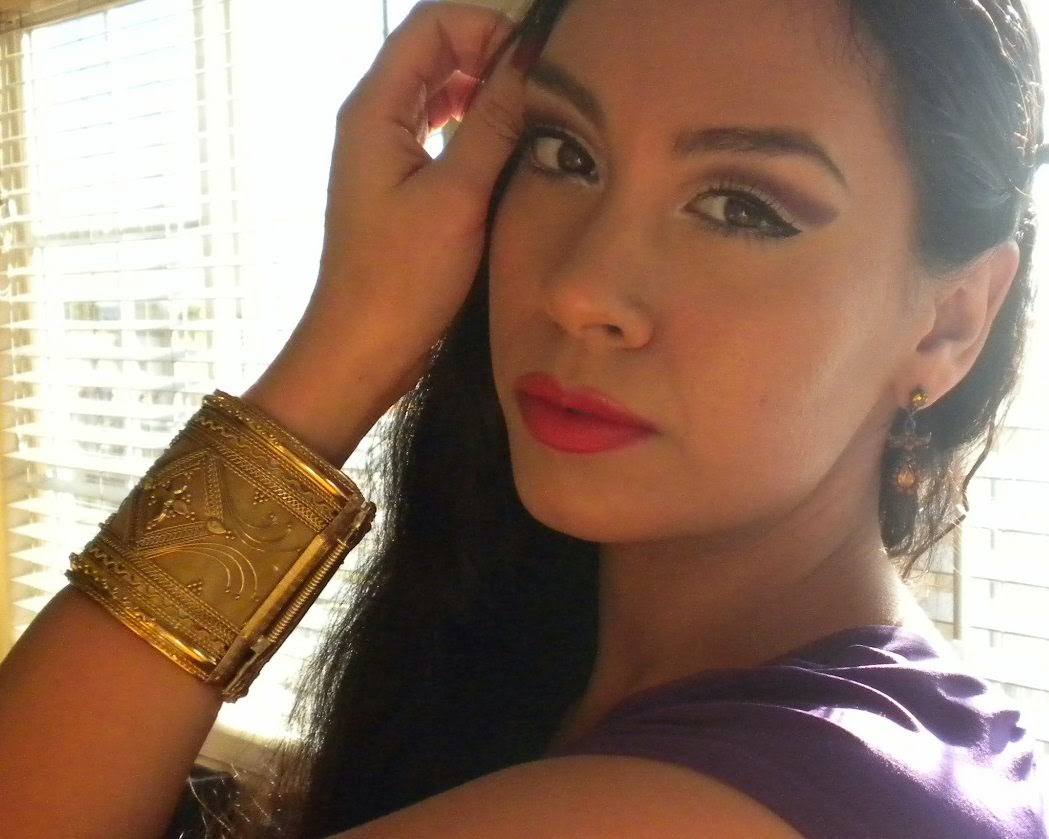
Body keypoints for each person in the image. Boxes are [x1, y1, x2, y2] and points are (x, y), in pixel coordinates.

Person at [0, 0, 1046, 836]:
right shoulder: (533, 668)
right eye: (564, 152)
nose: (580, 288)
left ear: (950, 320)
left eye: (742, 207)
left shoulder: (759, 797)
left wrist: (346, 347)